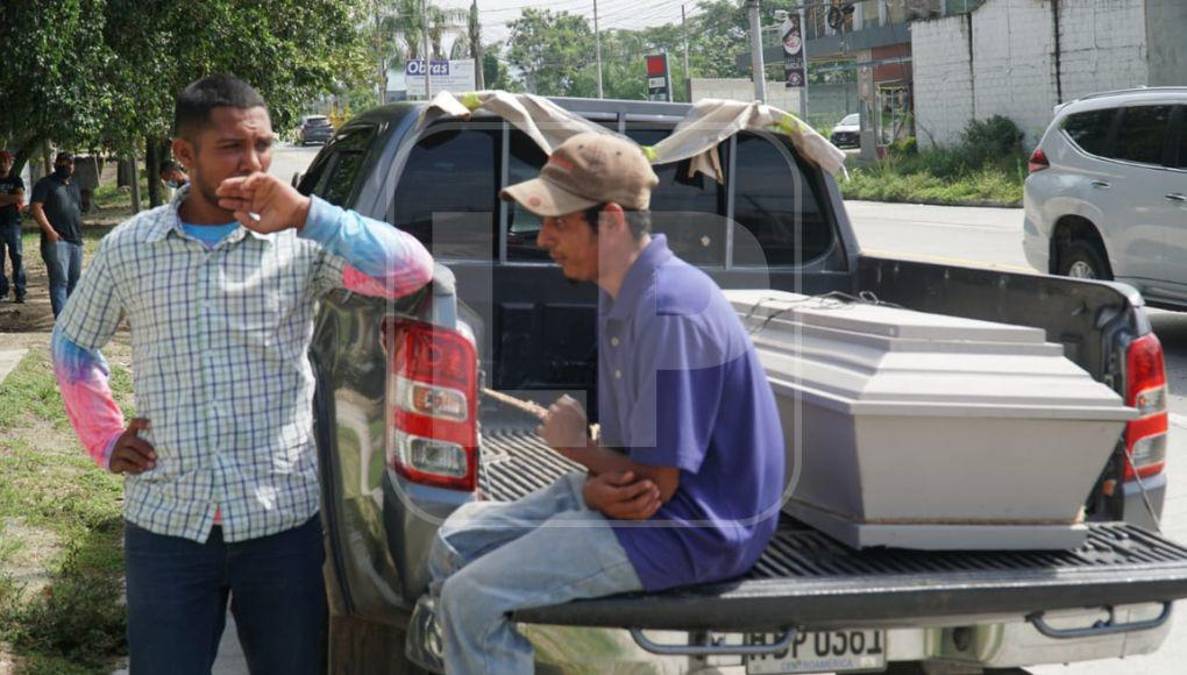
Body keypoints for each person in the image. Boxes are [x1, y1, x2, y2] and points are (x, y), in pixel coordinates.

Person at [51, 74, 434, 674]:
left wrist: (308, 214)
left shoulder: (301, 242)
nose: (253, 162)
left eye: (262, 145)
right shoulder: (131, 247)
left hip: (279, 521)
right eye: (231, 147)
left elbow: (411, 272)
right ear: (185, 154)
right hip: (167, 524)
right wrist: (103, 439)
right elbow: (73, 345)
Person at [426, 132, 786, 673]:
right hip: (651, 502)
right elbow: (631, 464)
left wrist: (576, 449)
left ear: (612, 220)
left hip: (693, 531)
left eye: (558, 222)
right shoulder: (622, 288)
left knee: (471, 600)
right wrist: (594, 479)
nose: (543, 237)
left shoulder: (669, 310)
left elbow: (654, 490)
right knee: (452, 543)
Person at [30, 152, 83, 316]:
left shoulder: (74, 185)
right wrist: (50, 231)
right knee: (60, 282)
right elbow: (36, 208)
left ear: (73, 166)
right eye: (62, 162)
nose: (66, 166)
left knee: (75, 282)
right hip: (56, 241)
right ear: (55, 164)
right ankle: (61, 321)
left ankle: (71, 319)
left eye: (69, 163)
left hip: (76, 240)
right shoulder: (45, 184)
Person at [0, 150, 27, 303]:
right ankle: (2, 291)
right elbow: (15, 198)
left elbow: (20, 198)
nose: (2, 164)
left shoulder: (16, 179)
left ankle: (20, 291)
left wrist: (3, 198)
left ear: (9, 163)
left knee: (17, 256)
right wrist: (10, 198)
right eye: (0, 161)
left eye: (5, 161)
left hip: (13, 223)